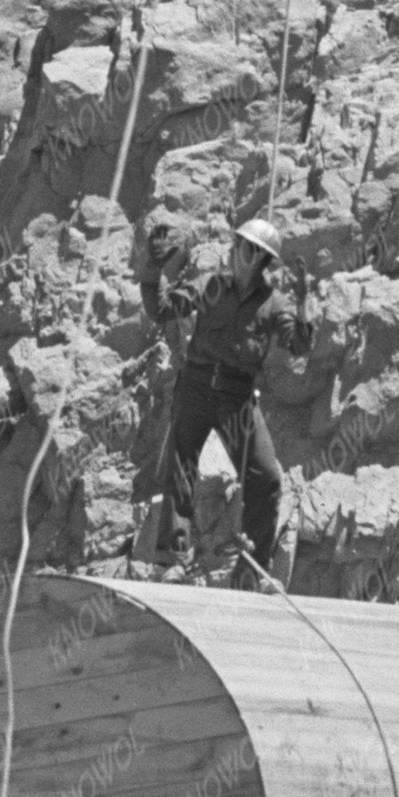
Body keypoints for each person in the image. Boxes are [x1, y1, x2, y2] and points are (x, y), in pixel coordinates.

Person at [143, 216, 288, 575]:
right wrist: (152, 270)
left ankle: (255, 567)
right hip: (196, 387)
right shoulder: (210, 286)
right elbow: (161, 311)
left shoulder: (273, 302)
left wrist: (301, 307)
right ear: (235, 247)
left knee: (266, 476)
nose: (246, 256)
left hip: (237, 398)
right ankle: (172, 560)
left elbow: (299, 344)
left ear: (264, 262)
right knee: (181, 470)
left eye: (256, 252)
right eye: (243, 247)